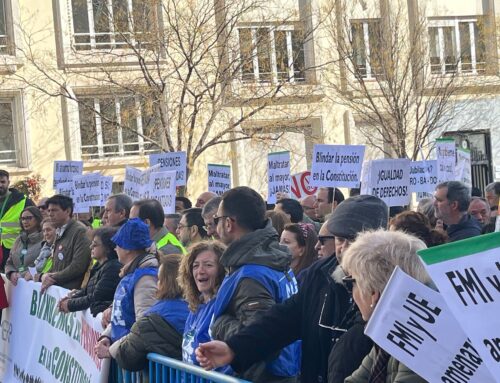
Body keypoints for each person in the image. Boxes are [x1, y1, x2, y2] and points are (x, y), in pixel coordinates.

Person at [196, 195, 389, 383]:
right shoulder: (320, 275)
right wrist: (235, 348)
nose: (344, 249)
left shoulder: (393, 287)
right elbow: (283, 319)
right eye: (339, 239)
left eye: (353, 240)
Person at [204, 186, 301, 382]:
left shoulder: (252, 275)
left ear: (229, 223)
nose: (215, 227)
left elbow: (259, 339)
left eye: (217, 220)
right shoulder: (272, 258)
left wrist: (219, 324)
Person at [342, 230, 430, 383]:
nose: (351, 293)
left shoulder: (419, 344)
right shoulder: (394, 329)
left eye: (351, 282)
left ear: (372, 291)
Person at [110, 254, 189, 371]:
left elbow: (127, 356)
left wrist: (110, 349)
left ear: (165, 283)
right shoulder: (201, 310)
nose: (156, 284)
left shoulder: (150, 320)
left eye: (159, 279)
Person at [95, 218, 159, 358]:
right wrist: (107, 337)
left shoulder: (146, 278)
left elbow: (143, 327)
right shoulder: (131, 273)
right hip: (124, 352)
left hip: (135, 359)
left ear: (128, 248)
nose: (115, 248)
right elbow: (122, 317)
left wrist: (111, 351)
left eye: (118, 244)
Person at [178, 241, 226, 367]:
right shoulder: (196, 307)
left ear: (221, 270)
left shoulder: (222, 307)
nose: (200, 271)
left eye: (208, 265)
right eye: (195, 266)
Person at [58, 227, 121, 316]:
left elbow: (96, 297)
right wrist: (71, 298)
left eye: (95, 245)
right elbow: (87, 291)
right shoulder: (98, 266)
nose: (90, 247)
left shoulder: (112, 268)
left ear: (107, 247)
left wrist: (70, 304)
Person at [41, 195, 91, 292]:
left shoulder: (79, 232)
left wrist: (53, 277)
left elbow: (78, 266)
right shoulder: (59, 231)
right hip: (58, 290)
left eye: (54, 210)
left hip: (70, 292)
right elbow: (57, 264)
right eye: (49, 210)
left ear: (67, 211)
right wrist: (45, 275)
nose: (50, 214)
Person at [0, 169, 34, 270]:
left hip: (14, 248)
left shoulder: (22, 201)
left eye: (2, 182)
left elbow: (37, 221)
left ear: (8, 183)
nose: (0, 185)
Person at [5, 206, 43, 285]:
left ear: (37, 218)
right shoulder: (18, 239)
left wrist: (22, 274)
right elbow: (9, 262)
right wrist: (11, 273)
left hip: (35, 287)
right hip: (18, 287)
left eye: (29, 218)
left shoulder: (45, 239)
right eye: (23, 219)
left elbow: (43, 265)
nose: (25, 221)